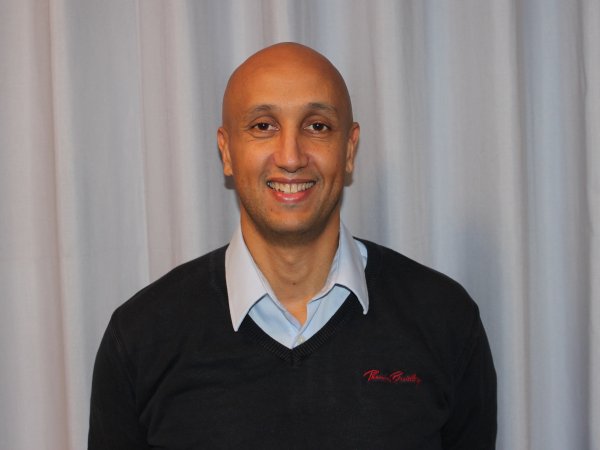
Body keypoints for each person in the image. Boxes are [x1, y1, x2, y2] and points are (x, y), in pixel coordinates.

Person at [88, 42, 496, 449]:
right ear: (227, 151)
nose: (290, 157)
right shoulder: (141, 337)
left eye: (317, 126)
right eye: (263, 126)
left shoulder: (445, 320)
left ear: (349, 148)